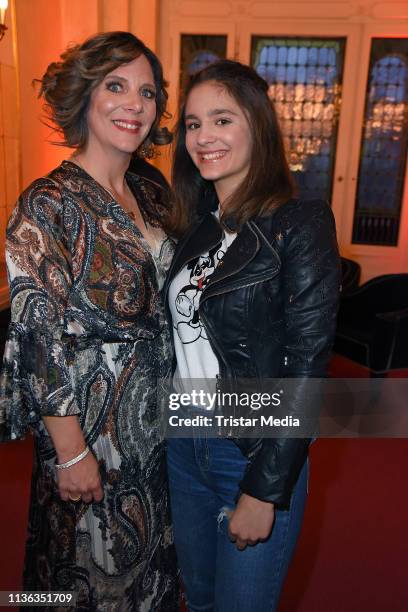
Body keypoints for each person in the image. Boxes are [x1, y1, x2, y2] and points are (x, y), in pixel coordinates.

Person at [0, 31, 179, 611]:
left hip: (157, 427)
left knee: (150, 572)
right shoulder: (47, 204)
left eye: (147, 92)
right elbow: (35, 335)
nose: (135, 104)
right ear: (85, 96)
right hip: (91, 431)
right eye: (116, 86)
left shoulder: (150, 193)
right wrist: (71, 452)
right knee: (85, 578)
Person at [164, 59, 341, 611]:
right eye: (193, 124)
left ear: (257, 126)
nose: (203, 137)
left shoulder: (300, 223)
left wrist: (266, 489)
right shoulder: (198, 227)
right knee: (200, 598)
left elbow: (309, 369)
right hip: (183, 444)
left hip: (250, 447)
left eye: (222, 119)